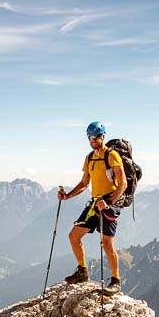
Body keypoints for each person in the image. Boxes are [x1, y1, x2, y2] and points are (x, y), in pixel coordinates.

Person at [57, 121, 126, 294]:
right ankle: (83, 271)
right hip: (95, 203)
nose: (93, 140)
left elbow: (123, 183)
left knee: (107, 243)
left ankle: (116, 281)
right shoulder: (89, 158)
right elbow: (84, 183)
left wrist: (109, 202)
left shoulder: (112, 156)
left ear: (103, 136)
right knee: (74, 236)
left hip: (110, 203)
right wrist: (67, 196)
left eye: (96, 136)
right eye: (90, 137)